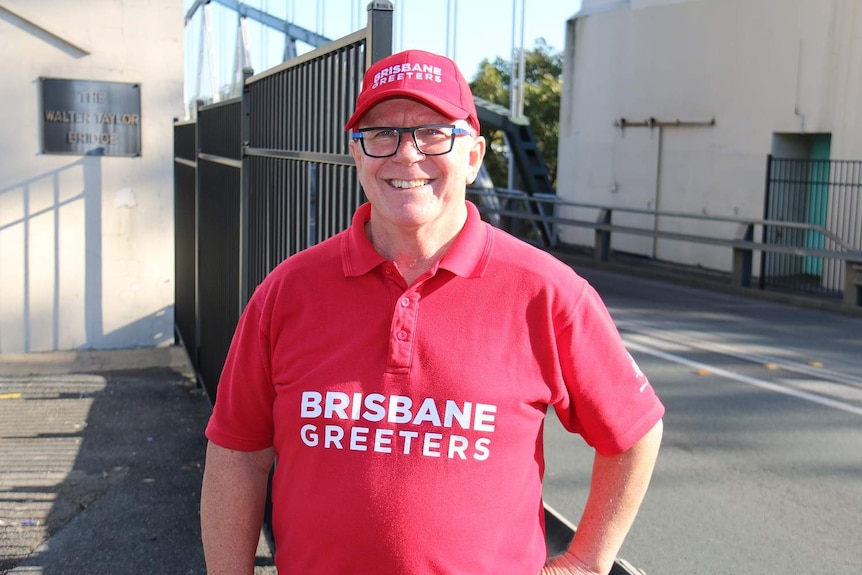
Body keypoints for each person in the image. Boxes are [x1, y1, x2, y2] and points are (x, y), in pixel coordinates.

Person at [200, 49, 664, 575]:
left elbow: (635, 432)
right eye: (381, 135)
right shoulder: (287, 292)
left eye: (434, 132)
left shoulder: (547, 291)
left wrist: (585, 562)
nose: (407, 155)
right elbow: (238, 454)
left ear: (473, 155)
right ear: (356, 154)